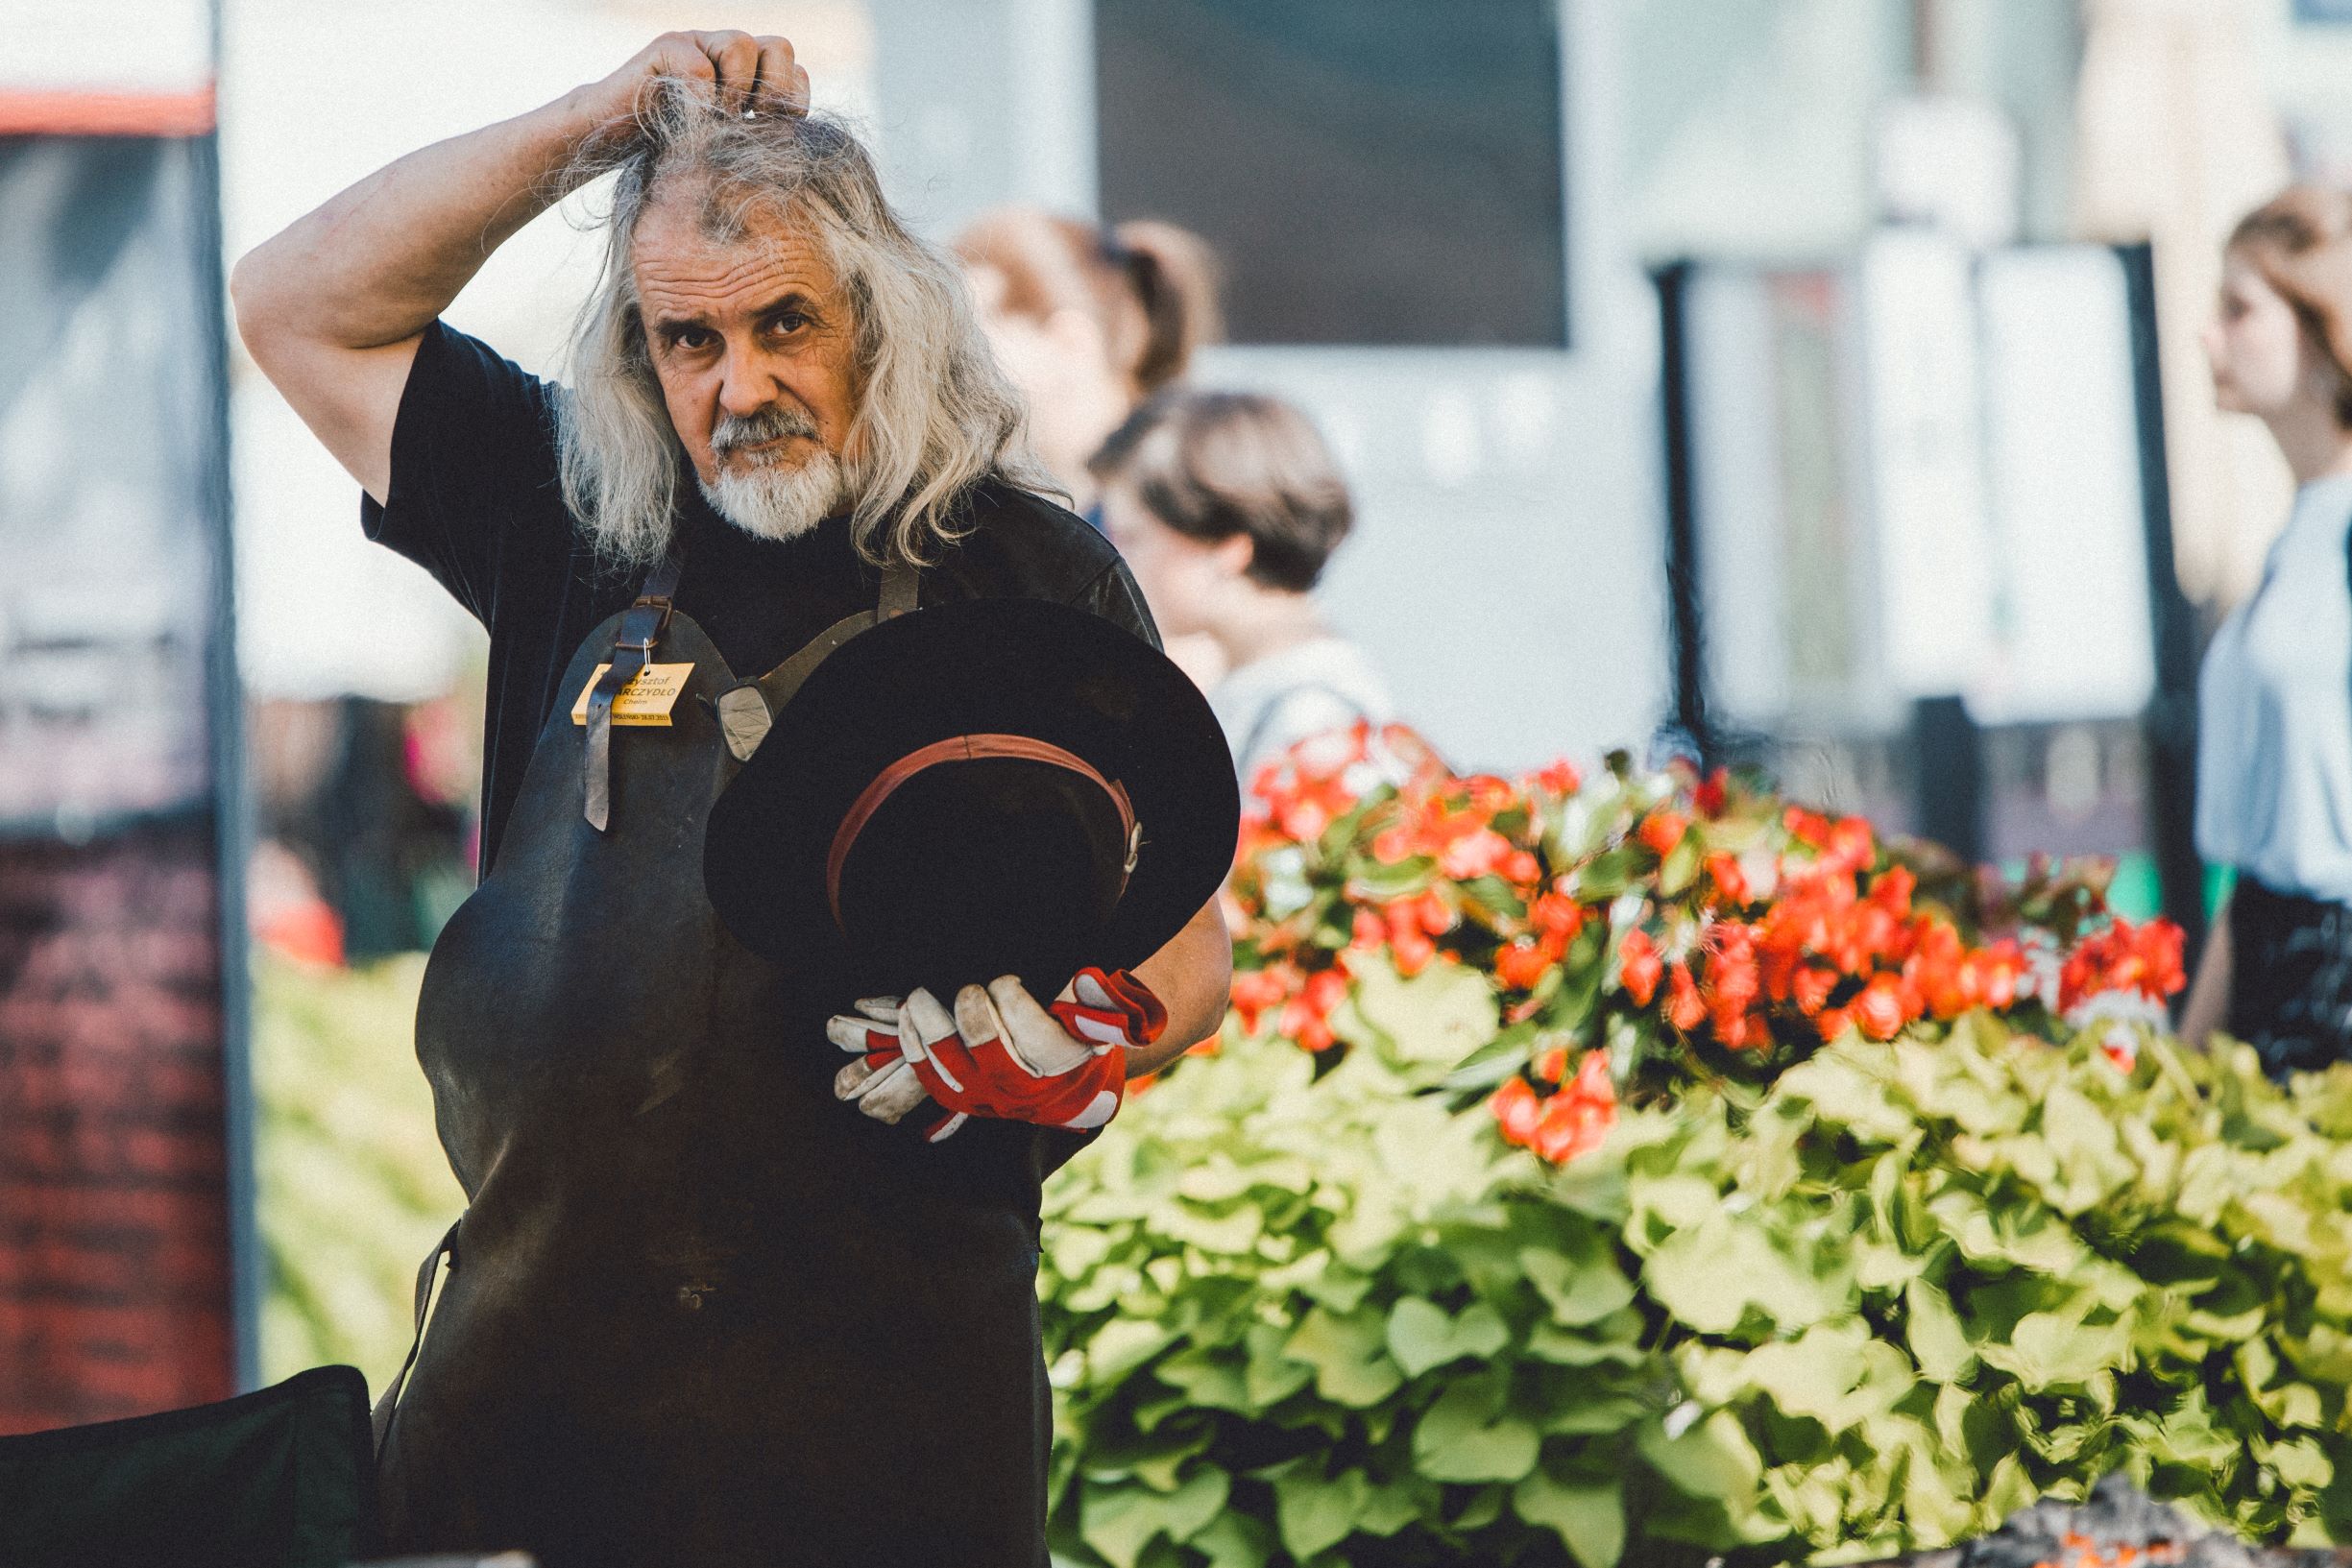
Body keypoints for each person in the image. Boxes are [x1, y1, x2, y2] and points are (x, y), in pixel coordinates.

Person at [230, 30, 1231, 1566]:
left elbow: (1184, 955)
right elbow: (295, 301)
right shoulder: (570, 514)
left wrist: (1069, 1037)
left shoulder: (1028, 573)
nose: (740, 384)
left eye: (785, 323)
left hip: (892, 1432)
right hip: (532, 1407)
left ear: (879, 320)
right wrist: (599, 124)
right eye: (687, 339)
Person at [2179, 185, 2352, 1075]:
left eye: (2238, 308)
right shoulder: (2295, 543)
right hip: (2273, 973)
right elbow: (2251, 880)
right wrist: (2185, 1062)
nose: (2208, 335)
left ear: (2324, 331)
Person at [1090, 389, 1394, 784]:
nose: (1114, 557)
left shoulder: (1312, 720)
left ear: (1228, 548)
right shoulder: (1262, 690)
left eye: (1132, 536)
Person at [954, 207, 1221, 516]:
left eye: (971, 338)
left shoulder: (1178, 512)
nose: (949, 364)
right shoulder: (1069, 505)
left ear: (1070, 341)